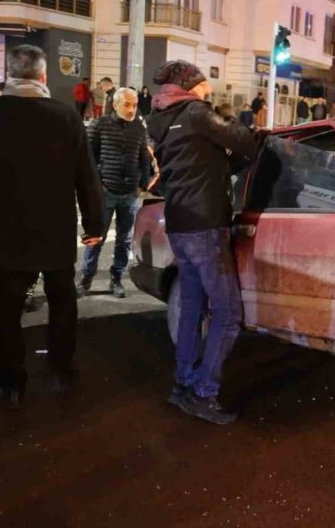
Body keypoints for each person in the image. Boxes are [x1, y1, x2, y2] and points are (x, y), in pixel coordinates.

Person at [0, 45, 105, 409]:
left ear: (8, 73)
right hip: (54, 230)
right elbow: (86, 175)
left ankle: (10, 380)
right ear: (42, 76)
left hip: (3, 230)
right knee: (61, 303)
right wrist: (94, 222)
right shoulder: (65, 117)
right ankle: (60, 369)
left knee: (4, 309)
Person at [147, 60, 258, 425]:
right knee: (228, 315)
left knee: (193, 309)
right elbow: (245, 140)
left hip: (179, 224)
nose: (206, 88)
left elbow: (197, 165)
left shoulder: (160, 119)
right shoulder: (196, 113)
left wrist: (226, 166)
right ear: (189, 86)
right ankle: (203, 391)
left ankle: (182, 384)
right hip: (206, 227)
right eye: (202, 83)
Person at [77, 87, 153, 299]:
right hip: (106, 192)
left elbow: (144, 158)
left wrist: (142, 185)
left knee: (124, 240)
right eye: (127, 105)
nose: (131, 109)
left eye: (135, 105)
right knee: (95, 237)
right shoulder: (99, 125)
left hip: (130, 194)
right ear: (116, 104)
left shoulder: (139, 128)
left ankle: (116, 278)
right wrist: (96, 185)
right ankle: (86, 278)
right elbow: (87, 158)